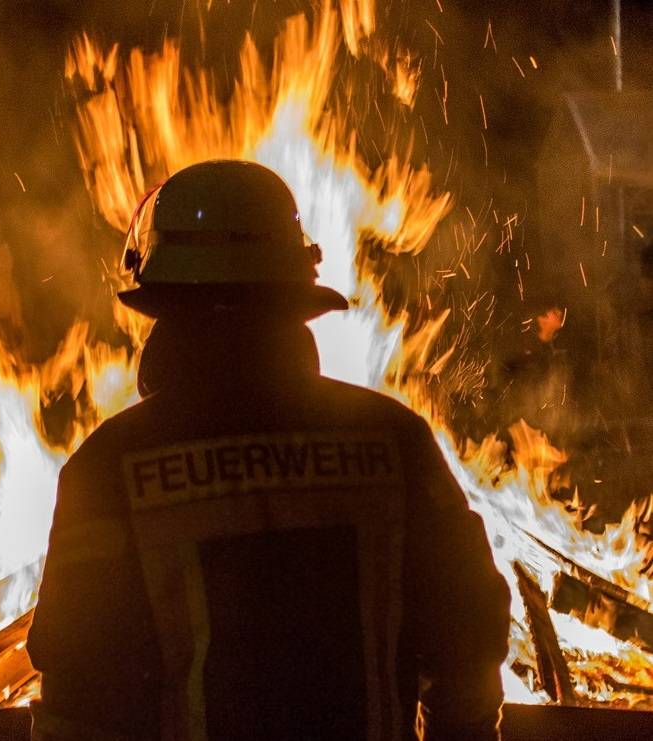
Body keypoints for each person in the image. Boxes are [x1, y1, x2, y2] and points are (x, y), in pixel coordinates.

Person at [27, 160, 510, 741]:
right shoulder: (396, 440)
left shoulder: (106, 468)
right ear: (298, 294)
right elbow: (468, 640)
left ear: (159, 306)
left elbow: (76, 696)